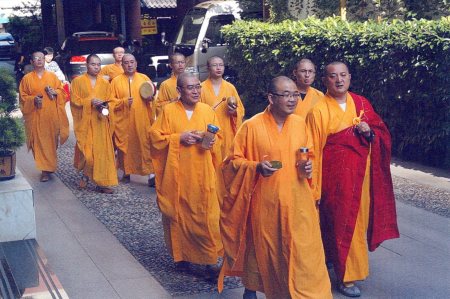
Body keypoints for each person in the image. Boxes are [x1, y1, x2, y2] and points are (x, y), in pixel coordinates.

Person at [219, 76, 332, 299]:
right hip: (266, 202)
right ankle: (253, 288)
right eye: (286, 95)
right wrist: (256, 167)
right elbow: (231, 163)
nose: (292, 100)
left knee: (304, 251)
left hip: (299, 201)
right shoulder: (251, 126)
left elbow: (309, 154)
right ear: (271, 98)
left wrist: (308, 166)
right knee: (263, 248)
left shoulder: (300, 124)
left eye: (295, 95)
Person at [306, 62, 399, 297]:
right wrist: (314, 189)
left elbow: (381, 132)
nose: (339, 80)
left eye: (343, 75)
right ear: (325, 81)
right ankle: (347, 278)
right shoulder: (318, 111)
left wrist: (369, 133)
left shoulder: (361, 103)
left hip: (362, 177)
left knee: (356, 226)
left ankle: (340, 266)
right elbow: (313, 151)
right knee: (340, 224)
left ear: (350, 77)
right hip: (335, 181)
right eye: (333, 76)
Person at [150, 72, 223, 280]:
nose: (195, 91)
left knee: (208, 217)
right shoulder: (168, 111)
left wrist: (210, 140)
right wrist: (178, 138)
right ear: (179, 91)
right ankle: (182, 256)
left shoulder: (208, 111)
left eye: (197, 87)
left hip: (203, 174)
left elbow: (220, 138)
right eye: (190, 88)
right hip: (177, 175)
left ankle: (210, 262)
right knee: (178, 215)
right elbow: (155, 138)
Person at [70, 54, 118, 194]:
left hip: (99, 122)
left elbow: (110, 101)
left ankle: (102, 183)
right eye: (93, 64)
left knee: (101, 153)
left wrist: (104, 106)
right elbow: (74, 100)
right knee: (88, 154)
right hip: (85, 123)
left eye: (98, 65)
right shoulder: (78, 82)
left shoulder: (104, 83)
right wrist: (89, 102)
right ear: (86, 65)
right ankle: (86, 174)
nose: (96, 67)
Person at [19, 51, 69, 182]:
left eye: (41, 58)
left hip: (51, 116)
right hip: (35, 116)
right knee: (38, 143)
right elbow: (23, 98)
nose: (39, 60)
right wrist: (33, 99)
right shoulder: (27, 79)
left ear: (44, 61)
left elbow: (62, 92)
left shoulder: (52, 77)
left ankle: (49, 166)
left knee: (51, 142)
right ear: (32, 62)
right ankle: (44, 170)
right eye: (36, 58)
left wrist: (55, 92)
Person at [110, 54, 155, 186]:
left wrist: (150, 99)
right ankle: (126, 172)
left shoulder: (144, 78)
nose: (129, 65)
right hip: (123, 121)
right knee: (125, 146)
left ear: (136, 63)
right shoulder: (116, 81)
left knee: (145, 145)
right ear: (122, 65)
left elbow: (151, 97)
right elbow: (111, 101)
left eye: (132, 62)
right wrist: (123, 102)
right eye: (126, 63)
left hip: (142, 119)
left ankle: (151, 174)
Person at [200, 56, 245, 158]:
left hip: (227, 132)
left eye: (221, 65)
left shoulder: (230, 87)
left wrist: (234, 111)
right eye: (215, 65)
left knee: (226, 163)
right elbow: (196, 111)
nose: (218, 68)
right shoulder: (201, 88)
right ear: (208, 68)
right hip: (210, 133)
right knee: (210, 162)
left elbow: (241, 110)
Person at [154, 52, 185, 118]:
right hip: (174, 117)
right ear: (170, 65)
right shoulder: (165, 84)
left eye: (182, 62)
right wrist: (172, 102)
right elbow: (158, 106)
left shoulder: (193, 81)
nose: (180, 65)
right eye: (177, 63)